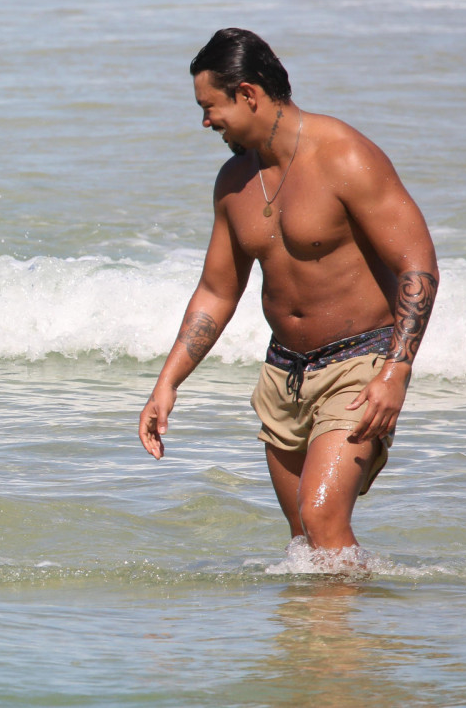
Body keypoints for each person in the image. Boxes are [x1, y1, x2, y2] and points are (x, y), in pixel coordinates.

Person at [138, 29, 438, 559]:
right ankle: (324, 642)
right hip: (284, 377)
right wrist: (167, 384)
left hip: (360, 365)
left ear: (248, 94)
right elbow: (215, 291)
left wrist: (397, 371)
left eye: (210, 106)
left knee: (322, 520)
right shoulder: (234, 181)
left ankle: (349, 642)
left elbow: (418, 266)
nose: (205, 121)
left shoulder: (343, 155)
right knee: (306, 541)